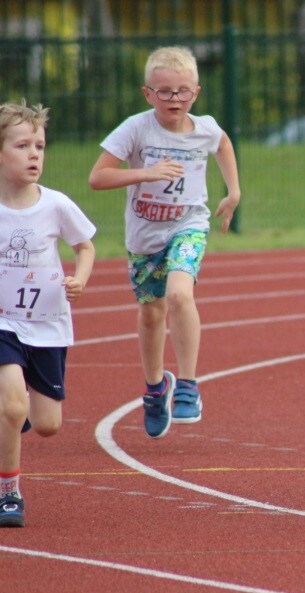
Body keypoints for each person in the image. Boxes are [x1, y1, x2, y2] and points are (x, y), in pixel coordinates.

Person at [89, 45, 241, 439]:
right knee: (152, 313)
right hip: (144, 238)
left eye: (183, 91)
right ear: (148, 93)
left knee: (179, 295)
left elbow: (223, 143)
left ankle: (188, 384)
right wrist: (145, 174)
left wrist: (233, 191)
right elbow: (98, 177)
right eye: (165, 92)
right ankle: (156, 388)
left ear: (197, 92)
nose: (175, 99)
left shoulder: (205, 127)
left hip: (189, 224)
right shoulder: (136, 129)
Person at [0, 101, 96, 527]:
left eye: (39, 145)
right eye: (23, 145)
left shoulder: (56, 205)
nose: (35, 154)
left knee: (47, 424)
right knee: (10, 407)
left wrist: (81, 276)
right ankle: (9, 494)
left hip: (49, 324)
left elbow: (85, 245)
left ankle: (20, 415)